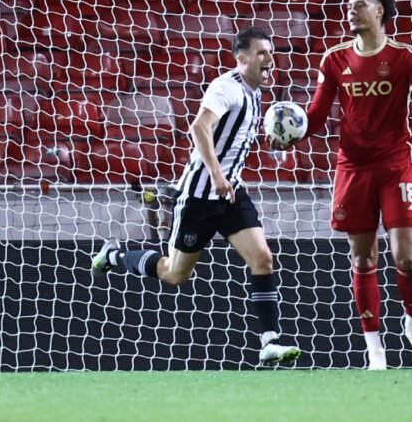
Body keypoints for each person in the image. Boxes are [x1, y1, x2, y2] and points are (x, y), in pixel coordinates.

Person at [274, 0, 412, 370]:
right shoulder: (334, 59)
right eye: (349, 5)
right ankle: (375, 348)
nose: (351, 10)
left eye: (360, 4)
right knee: (362, 260)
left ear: (380, 12)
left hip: (395, 166)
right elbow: (317, 116)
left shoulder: (406, 57)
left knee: (405, 257)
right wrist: (291, 135)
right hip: (353, 168)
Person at [91, 26, 301, 366]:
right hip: (200, 196)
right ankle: (114, 256)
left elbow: (232, 139)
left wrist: (269, 142)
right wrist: (216, 175)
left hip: (231, 194)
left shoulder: (255, 92)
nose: (269, 58)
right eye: (262, 53)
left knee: (262, 258)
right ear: (242, 58)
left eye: (271, 52)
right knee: (174, 274)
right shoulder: (225, 87)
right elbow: (199, 127)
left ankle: (270, 341)